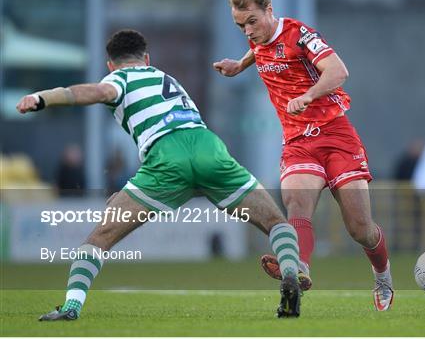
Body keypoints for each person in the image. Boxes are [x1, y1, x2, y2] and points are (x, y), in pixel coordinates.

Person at [17, 29, 302, 320]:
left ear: (110, 65)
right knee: (275, 221)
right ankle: (291, 272)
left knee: (99, 237)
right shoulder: (165, 78)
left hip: (166, 157)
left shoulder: (118, 79)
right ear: (147, 58)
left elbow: (94, 93)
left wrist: (43, 98)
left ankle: (71, 307)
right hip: (208, 146)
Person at [213, 0, 394, 311]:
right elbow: (259, 49)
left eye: (252, 21)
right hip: (297, 141)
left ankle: (382, 275)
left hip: (335, 135)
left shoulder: (300, 34)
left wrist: (308, 95)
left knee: (360, 229)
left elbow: (338, 71)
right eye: (241, 26)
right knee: (297, 204)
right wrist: (239, 65)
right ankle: (298, 269)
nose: (248, 31)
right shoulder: (257, 39)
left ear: (270, 9)